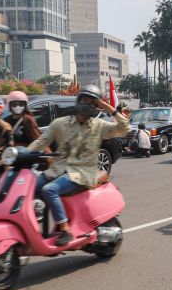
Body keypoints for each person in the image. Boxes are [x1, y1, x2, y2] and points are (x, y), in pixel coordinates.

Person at [28, 85, 130, 246]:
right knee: (30, 186)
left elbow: (125, 128)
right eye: (85, 100)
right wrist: (20, 155)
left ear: (96, 106)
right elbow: (41, 142)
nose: (87, 104)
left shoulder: (99, 126)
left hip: (82, 173)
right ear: (78, 100)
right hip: (57, 170)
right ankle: (33, 226)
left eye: (92, 102)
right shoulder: (60, 123)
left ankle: (66, 230)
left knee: (50, 190)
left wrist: (108, 108)